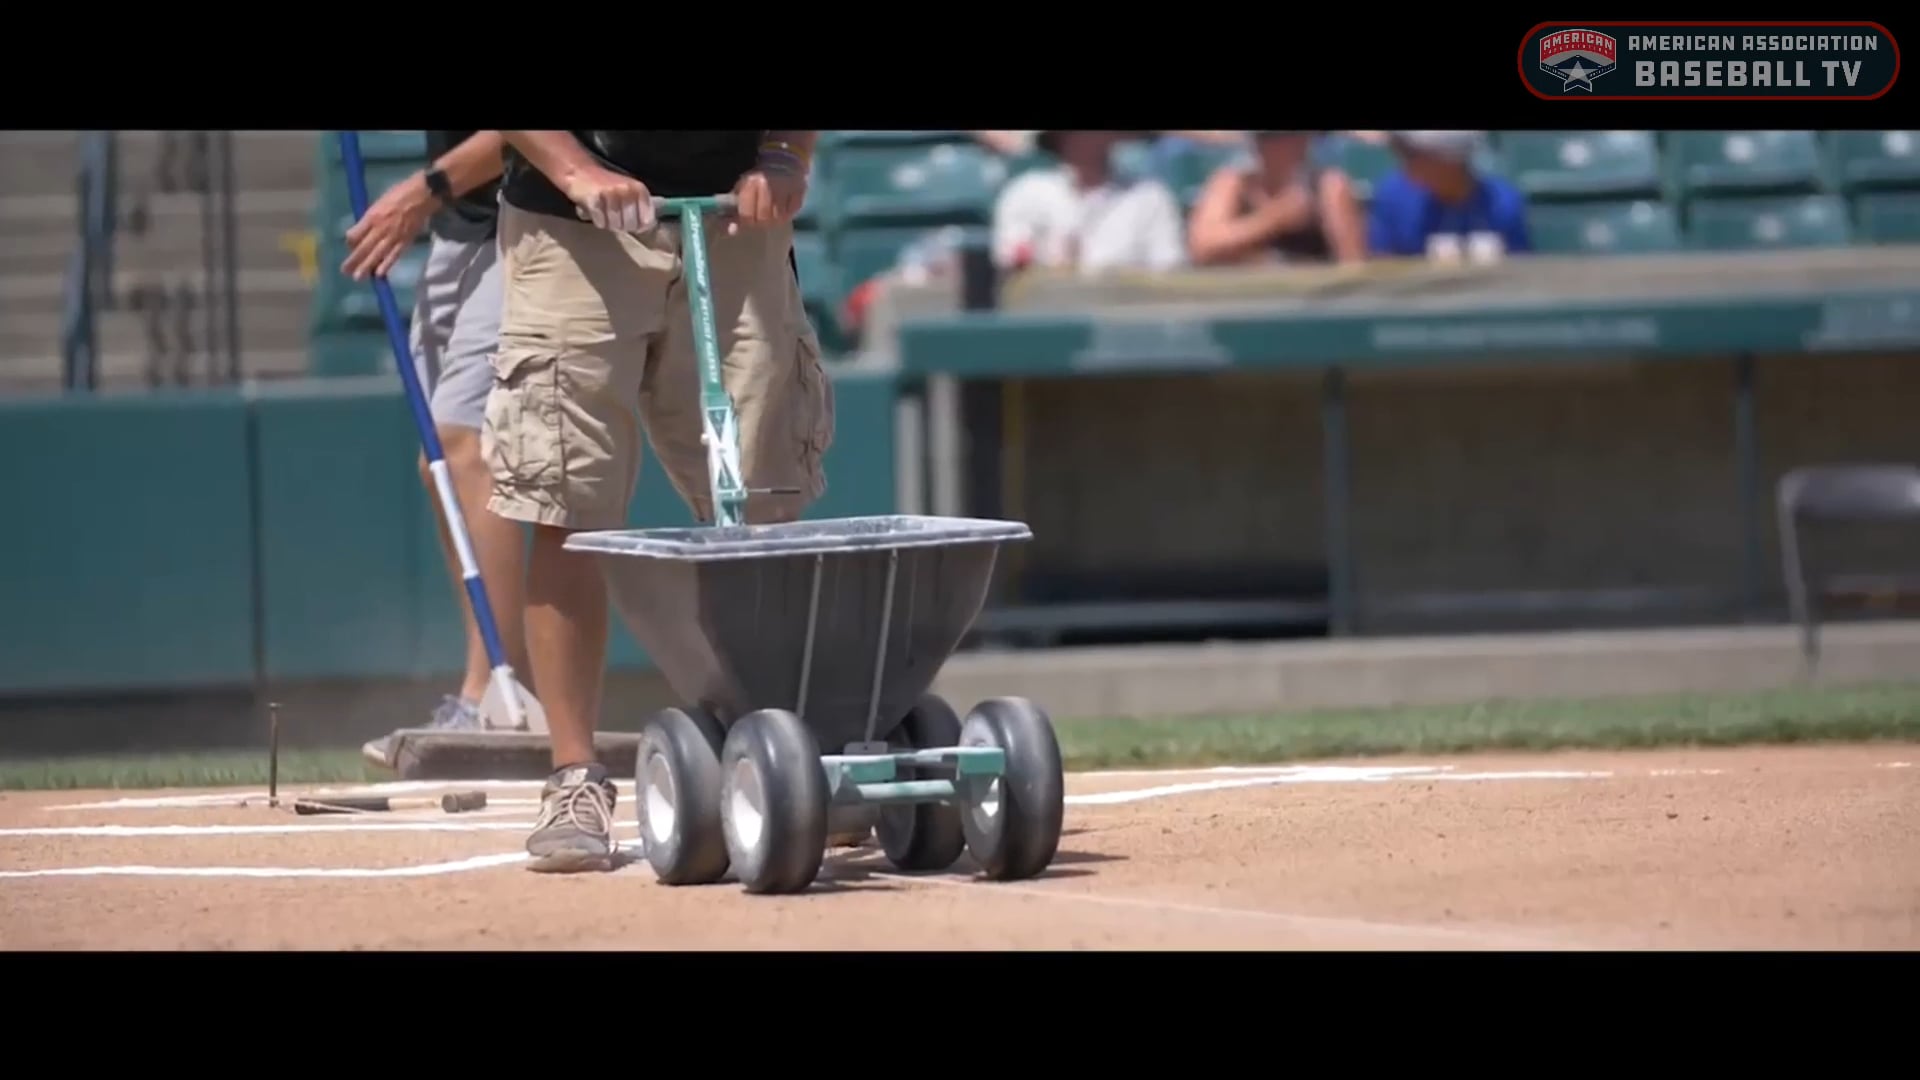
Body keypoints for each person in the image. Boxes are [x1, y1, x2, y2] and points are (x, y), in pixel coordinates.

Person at [490, 131, 833, 872]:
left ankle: (787, 754)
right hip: (573, 226)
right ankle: (574, 777)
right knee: (567, 499)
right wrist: (573, 167)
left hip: (736, 215)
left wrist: (783, 154)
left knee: (761, 503)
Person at [341, 131, 534, 769]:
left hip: (527, 219)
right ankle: (503, 688)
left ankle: (492, 692)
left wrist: (426, 191)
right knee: (442, 467)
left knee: (462, 446)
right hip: (459, 231)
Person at [990, 130, 1187, 275]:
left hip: (1124, 318)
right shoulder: (1026, 191)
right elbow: (1011, 266)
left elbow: (1168, 271)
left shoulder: (1150, 197)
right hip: (1046, 318)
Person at [1185, 130, 1368, 266]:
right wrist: (1273, 220)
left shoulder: (1329, 186)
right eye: (1268, 138)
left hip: (1312, 304)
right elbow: (1202, 247)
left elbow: (1352, 265)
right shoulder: (1232, 183)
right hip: (1245, 301)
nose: (1278, 146)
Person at [1366, 131, 1532, 261]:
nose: (1406, 161)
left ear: (1451, 160)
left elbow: (1519, 273)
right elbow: (1383, 271)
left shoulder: (1502, 203)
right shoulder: (1394, 197)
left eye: (1414, 153)